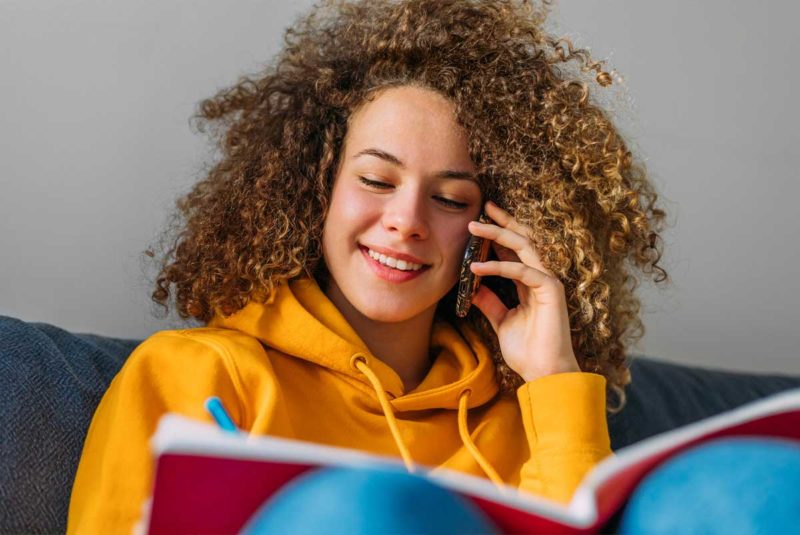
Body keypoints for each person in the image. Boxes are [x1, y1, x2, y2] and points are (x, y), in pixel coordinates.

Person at [66, 0, 669, 533]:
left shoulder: (523, 416)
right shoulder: (194, 376)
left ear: (492, 232)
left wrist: (555, 380)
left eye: (451, 199)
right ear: (316, 190)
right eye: (377, 180)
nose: (406, 220)